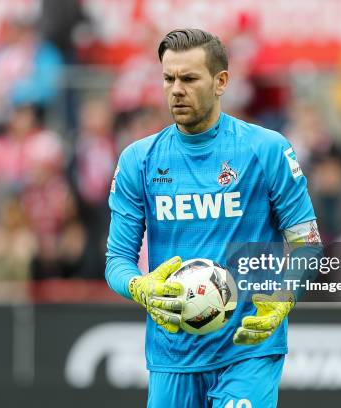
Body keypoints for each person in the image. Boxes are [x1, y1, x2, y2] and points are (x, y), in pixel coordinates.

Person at [105, 29, 319, 408]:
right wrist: (140, 287)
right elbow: (117, 261)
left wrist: (284, 296)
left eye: (189, 79)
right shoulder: (138, 160)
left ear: (221, 82)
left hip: (248, 348)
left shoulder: (266, 149)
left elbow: (307, 242)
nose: (176, 90)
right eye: (168, 79)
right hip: (173, 354)